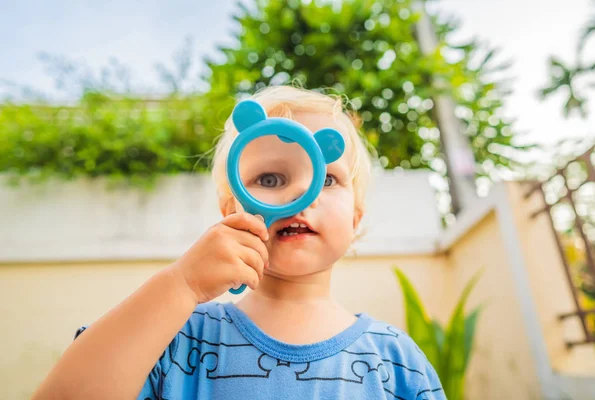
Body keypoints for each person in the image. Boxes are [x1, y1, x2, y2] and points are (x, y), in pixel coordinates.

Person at [32, 85, 445, 399]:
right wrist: (182, 285)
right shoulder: (177, 339)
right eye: (269, 179)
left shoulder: (395, 359)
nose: (302, 197)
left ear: (355, 219)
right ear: (233, 210)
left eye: (327, 178)